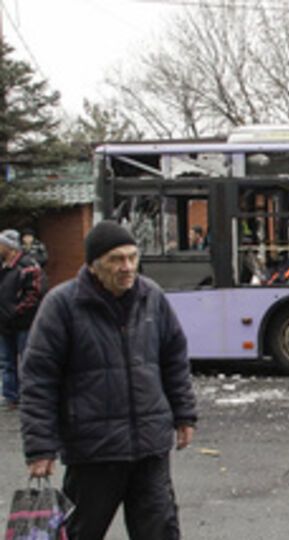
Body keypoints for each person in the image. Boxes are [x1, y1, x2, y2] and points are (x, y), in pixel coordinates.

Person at [19, 220, 197, 539]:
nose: (127, 267)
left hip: (150, 449)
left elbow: (174, 360)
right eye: (116, 259)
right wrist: (40, 447)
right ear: (93, 265)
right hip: (94, 450)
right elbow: (38, 379)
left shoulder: (151, 297)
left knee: (160, 530)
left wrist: (184, 414)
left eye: (132, 257)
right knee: (80, 533)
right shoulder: (62, 305)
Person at [0, 229, 44, 410]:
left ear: (10, 247)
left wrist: (16, 311)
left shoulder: (28, 265)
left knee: (27, 359)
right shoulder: (2, 266)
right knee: (6, 361)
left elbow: (35, 293)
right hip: (3, 323)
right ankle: (11, 396)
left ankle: (29, 396)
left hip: (23, 322)